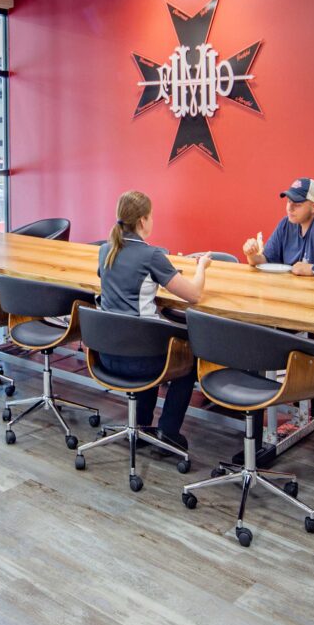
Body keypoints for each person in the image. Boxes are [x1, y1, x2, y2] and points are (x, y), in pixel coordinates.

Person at [97, 190, 210, 454]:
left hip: (105, 356)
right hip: (138, 360)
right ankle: (168, 432)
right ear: (142, 221)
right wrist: (202, 266)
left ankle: (141, 425)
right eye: (151, 217)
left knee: (143, 338)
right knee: (189, 357)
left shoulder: (105, 250)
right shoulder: (151, 256)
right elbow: (194, 295)